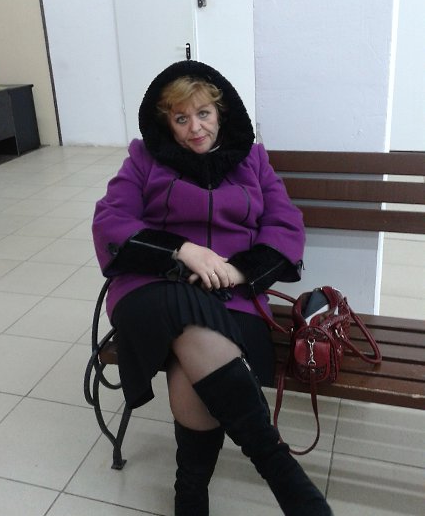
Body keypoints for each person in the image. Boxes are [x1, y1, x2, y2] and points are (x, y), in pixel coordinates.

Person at [92, 60, 332, 516]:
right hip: (154, 285)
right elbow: (111, 221)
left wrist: (241, 271)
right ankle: (281, 471)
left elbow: (286, 224)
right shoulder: (144, 158)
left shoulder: (252, 159)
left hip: (231, 293)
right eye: (181, 118)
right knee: (184, 310)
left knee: (193, 370)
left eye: (203, 114)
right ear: (167, 123)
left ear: (221, 113)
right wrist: (182, 251)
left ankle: (190, 494)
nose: (195, 128)